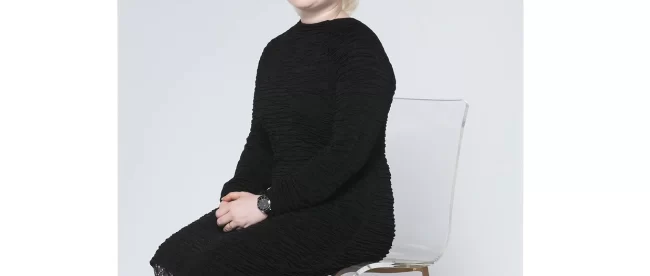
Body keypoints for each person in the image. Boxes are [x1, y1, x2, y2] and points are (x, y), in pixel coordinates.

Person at [150, 0, 396, 275]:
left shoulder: (360, 47)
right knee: (175, 255)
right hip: (284, 204)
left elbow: (348, 152)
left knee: (217, 264)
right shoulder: (277, 50)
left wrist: (265, 204)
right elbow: (261, 141)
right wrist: (234, 196)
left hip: (348, 214)